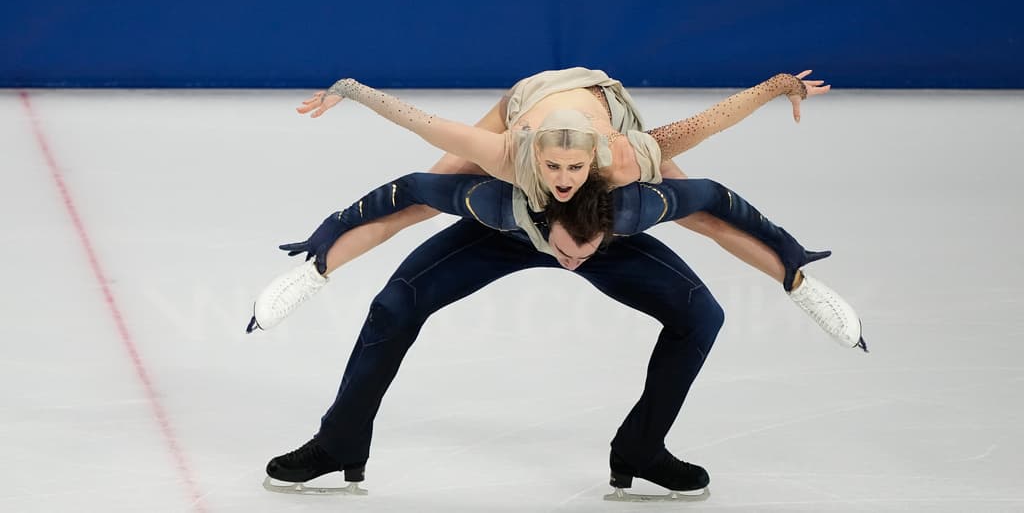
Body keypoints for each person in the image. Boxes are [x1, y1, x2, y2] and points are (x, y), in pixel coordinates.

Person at [249, 173, 865, 500]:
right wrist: (324, 246)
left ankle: (640, 452)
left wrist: (793, 267)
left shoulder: (629, 209)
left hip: (593, 220)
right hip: (504, 237)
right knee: (395, 304)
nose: (570, 262)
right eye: (565, 250)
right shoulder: (493, 202)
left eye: (585, 250)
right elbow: (409, 190)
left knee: (702, 316)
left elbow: (717, 203)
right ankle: (340, 442)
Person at [295, 67, 830, 280]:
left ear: (595, 156)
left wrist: (780, 85)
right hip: (526, 101)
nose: (563, 180)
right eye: (552, 168)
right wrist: (351, 90)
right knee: (426, 195)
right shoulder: (506, 151)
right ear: (532, 155)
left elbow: (713, 120)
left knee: (697, 213)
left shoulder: (625, 155)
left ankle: (795, 276)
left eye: (574, 168)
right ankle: (316, 271)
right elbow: (421, 122)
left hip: (604, 104)